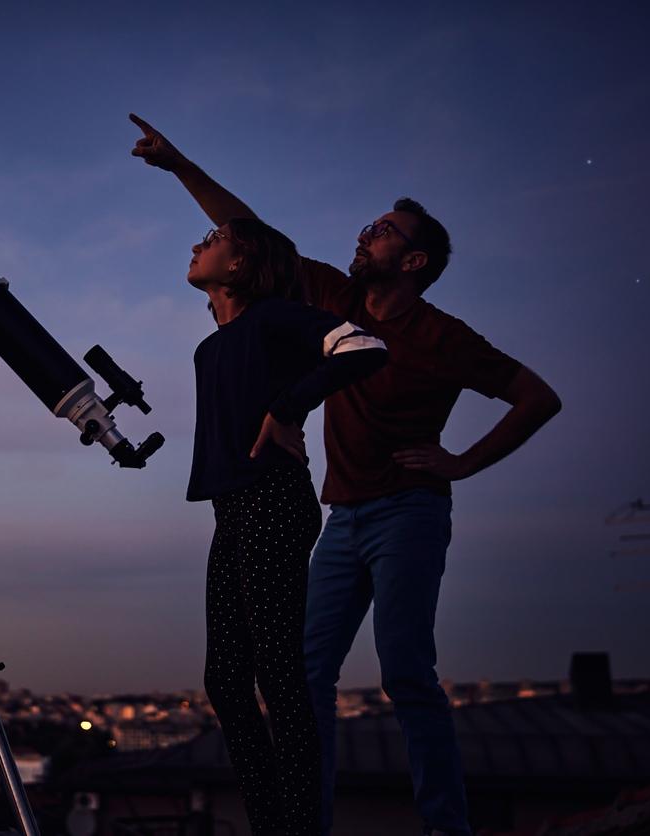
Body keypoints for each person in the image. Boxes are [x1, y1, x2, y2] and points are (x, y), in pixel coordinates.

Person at [131, 114, 561, 836]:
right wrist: (179, 166)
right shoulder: (333, 298)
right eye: (369, 226)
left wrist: (461, 462)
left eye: (384, 231)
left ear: (415, 262)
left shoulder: (445, 338)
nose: (366, 235)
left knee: (406, 673)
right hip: (341, 514)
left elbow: (537, 398)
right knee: (303, 677)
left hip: (409, 512)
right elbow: (250, 234)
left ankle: (444, 826)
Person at [182, 216, 387, 835]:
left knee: (277, 669)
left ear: (241, 265)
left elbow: (365, 346)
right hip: (232, 511)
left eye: (213, 241)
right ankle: (272, 824)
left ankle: (297, 828)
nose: (197, 246)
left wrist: (288, 406)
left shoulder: (275, 317)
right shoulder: (210, 346)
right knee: (224, 679)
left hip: (273, 500)